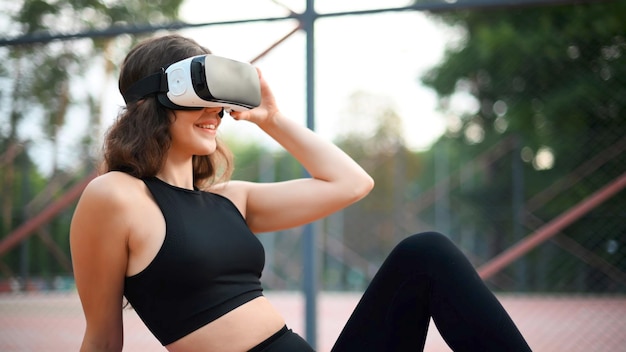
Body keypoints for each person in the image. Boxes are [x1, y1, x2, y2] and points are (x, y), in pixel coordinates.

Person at [70, 34, 531, 352]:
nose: (216, 111)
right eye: (202, 94)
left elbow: (352, 183)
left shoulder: (232, 200)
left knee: (427, 255)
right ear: (155, 100)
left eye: (220, 97)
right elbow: (104, 339)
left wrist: (271, 119)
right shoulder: (116, 196)